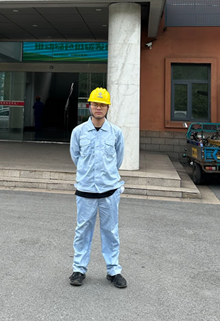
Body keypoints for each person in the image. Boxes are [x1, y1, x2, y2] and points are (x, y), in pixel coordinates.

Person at [68, 87, 126, 289]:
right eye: (95, 104)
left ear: (108, 107)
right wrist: (88, 174)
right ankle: (79, 269)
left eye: (102, 105)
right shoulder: (78, 132)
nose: (98, 108)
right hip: (85, 190)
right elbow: (76, 156)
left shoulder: (116, 133)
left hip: (109, 190)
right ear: (89, 106)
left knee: (110, 231)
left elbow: (118, 160)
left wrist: (106, 176)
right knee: (83, 230)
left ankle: (113, 270)